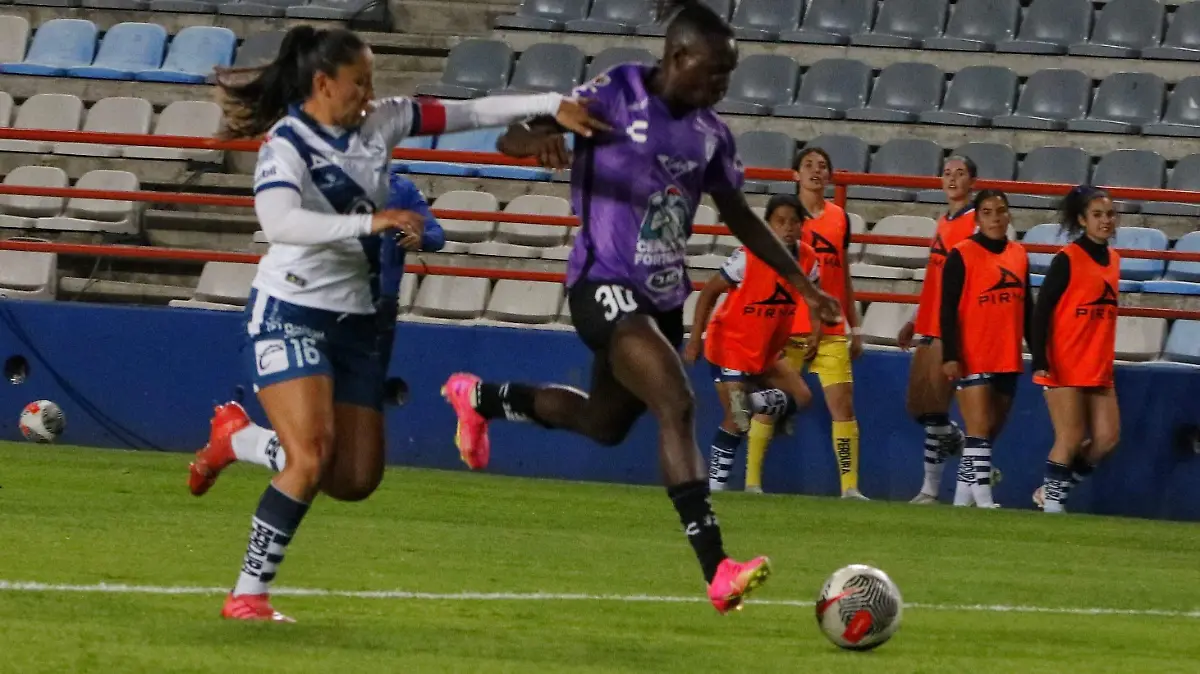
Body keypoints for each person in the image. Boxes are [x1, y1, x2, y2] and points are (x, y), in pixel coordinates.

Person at [184, 25, 606, 622]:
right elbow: (279, 223)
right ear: (323, 83)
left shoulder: (383, 121)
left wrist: (548, 104)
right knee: (309, 458)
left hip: (357, 323)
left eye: (373, 82)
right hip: (290, 311)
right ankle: (247, 594)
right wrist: (372, 223)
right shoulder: (287, 145)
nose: (369, 94)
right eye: (360, 83)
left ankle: (241, 439)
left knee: (354, 478)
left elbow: (473, 111)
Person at [439, 0, 840, 614]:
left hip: (661, 297)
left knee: (604, 424)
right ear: (677, 58)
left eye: (728, 76)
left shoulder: (711, 134)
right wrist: (543, 138)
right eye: (713, 73)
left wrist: (803, 284)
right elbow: (510, 137)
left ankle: (481, 398)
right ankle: (717, 566)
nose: (721, 87)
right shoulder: (617, 91)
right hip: (602, 281)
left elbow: (741, 219)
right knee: (676, 403)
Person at [743, 147, 867, 499]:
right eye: (809, 165)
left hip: (828, 329)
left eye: (823, 166)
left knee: (842, 407)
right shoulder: (782, 220)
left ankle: (850, 488)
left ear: (830, 176)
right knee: (771, 404)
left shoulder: (840, 219)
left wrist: (854, 327)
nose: (817, 171)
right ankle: (752, 483)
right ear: (794, 174)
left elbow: (842, 275)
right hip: (786, 327)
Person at [683, 194, 817, 493]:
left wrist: (816, 331)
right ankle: (715, 488)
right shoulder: (748, 256)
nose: (788, 228)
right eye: (780, 221)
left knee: (803, 397)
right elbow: (708, 293)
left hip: (767, 349)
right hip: (729, 345)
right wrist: (695, 338)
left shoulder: (808, 259)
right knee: (738, 419)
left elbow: (813, 297)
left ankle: (754, 403)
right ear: (767, 225)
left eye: (794, 221)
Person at [1029, 186, 1121, 513]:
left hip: (1097, 363)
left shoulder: (1114, 259)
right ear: (1082, 220)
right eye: (1097, 215)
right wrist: (1039, 357)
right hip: (1064, 360)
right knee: (1069, 437)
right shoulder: (1067, 259)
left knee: (1107, 438)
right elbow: (1041, 312)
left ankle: (1052, 490)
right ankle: (1053, 504)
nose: (1105, 221)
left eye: (1109, 214)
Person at [939, 189, 1030, 509]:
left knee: (988, 433)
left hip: (1007, 354)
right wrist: (950, 354)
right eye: (988, 212)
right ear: (977, 218)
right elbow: (947, 308)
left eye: (1001, 211)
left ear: (1009, 215)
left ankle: (962, 500)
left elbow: (1027, 307)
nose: (995, 218)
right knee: (977, 429)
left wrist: (1041, 354)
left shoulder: (1019, 254)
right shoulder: (961, 254)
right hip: (972, 352)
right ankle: (985, 499)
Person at [902, 156, 978, 504]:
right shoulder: (943, 221)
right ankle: (958, 442)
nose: (952, 179)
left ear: (972, 182)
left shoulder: (975, 223)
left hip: (954, 327)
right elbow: (934, 281)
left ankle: (930, 489)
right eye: (947, 173)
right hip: (930, 325)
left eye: (960, 174)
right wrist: (916, 320)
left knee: (934, 411)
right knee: (920, 409)